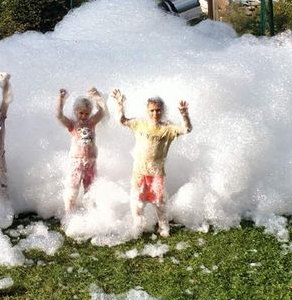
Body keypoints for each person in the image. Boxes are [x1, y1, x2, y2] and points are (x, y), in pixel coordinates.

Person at [111, 88, 192, 237]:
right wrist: (120, 104)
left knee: (159, 202)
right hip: (139, 171)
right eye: (152, 110)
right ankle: (138, 227)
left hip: (156, 172)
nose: (155, 114)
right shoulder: (139, 124)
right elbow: (122, 121)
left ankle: (164, 227)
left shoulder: (167, 128)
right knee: (137, 202)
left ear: (163, 111)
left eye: (158, 110)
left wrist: (184, 115)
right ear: (147, 111)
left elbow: (187, 129)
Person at [56, 87, 107, 215]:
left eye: (86, 113)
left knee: (90, 190)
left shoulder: (91, 123)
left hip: (91, 162)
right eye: (81, 113)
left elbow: (102, 111)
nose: (84, 116)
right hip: (76, 162)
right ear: (76, 111)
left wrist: (97, 97)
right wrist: (61, 100)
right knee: (72, 190)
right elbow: (59, 116)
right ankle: (69, 216)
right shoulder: (73, 125)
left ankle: (91, 215)